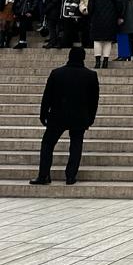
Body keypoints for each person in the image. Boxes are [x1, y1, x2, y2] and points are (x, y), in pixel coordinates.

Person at [30, 47, 100, 185]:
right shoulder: (90, 75)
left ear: (69, 56)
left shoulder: (57, 73)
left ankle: (44, 175)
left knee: (47, 144)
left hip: (57, 115)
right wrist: (91, 118)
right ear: (83, 58)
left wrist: (43, 114)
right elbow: (94, 100)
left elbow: (47, 96)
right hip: (79, 116)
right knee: (76, 145)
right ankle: (70, 176)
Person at [89, 0, 122, 69]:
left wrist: (92, 17)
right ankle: (105, 61)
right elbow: (119, 7)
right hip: (111, 20)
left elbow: (90, 8)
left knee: (97, 40)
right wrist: (119, 16)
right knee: (108, 41)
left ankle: (97, 62)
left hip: (97, 20)